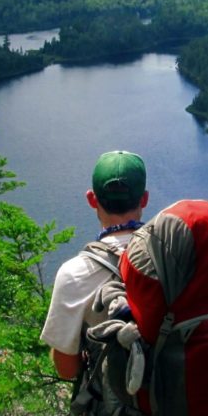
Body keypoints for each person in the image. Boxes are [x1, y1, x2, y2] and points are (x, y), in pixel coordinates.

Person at [41, 150, 149, 380]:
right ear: (144, 199)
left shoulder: (74, 273)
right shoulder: (173, 256)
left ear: (92, 199)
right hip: (184, 407)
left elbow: (67, 370)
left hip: (118, 412)